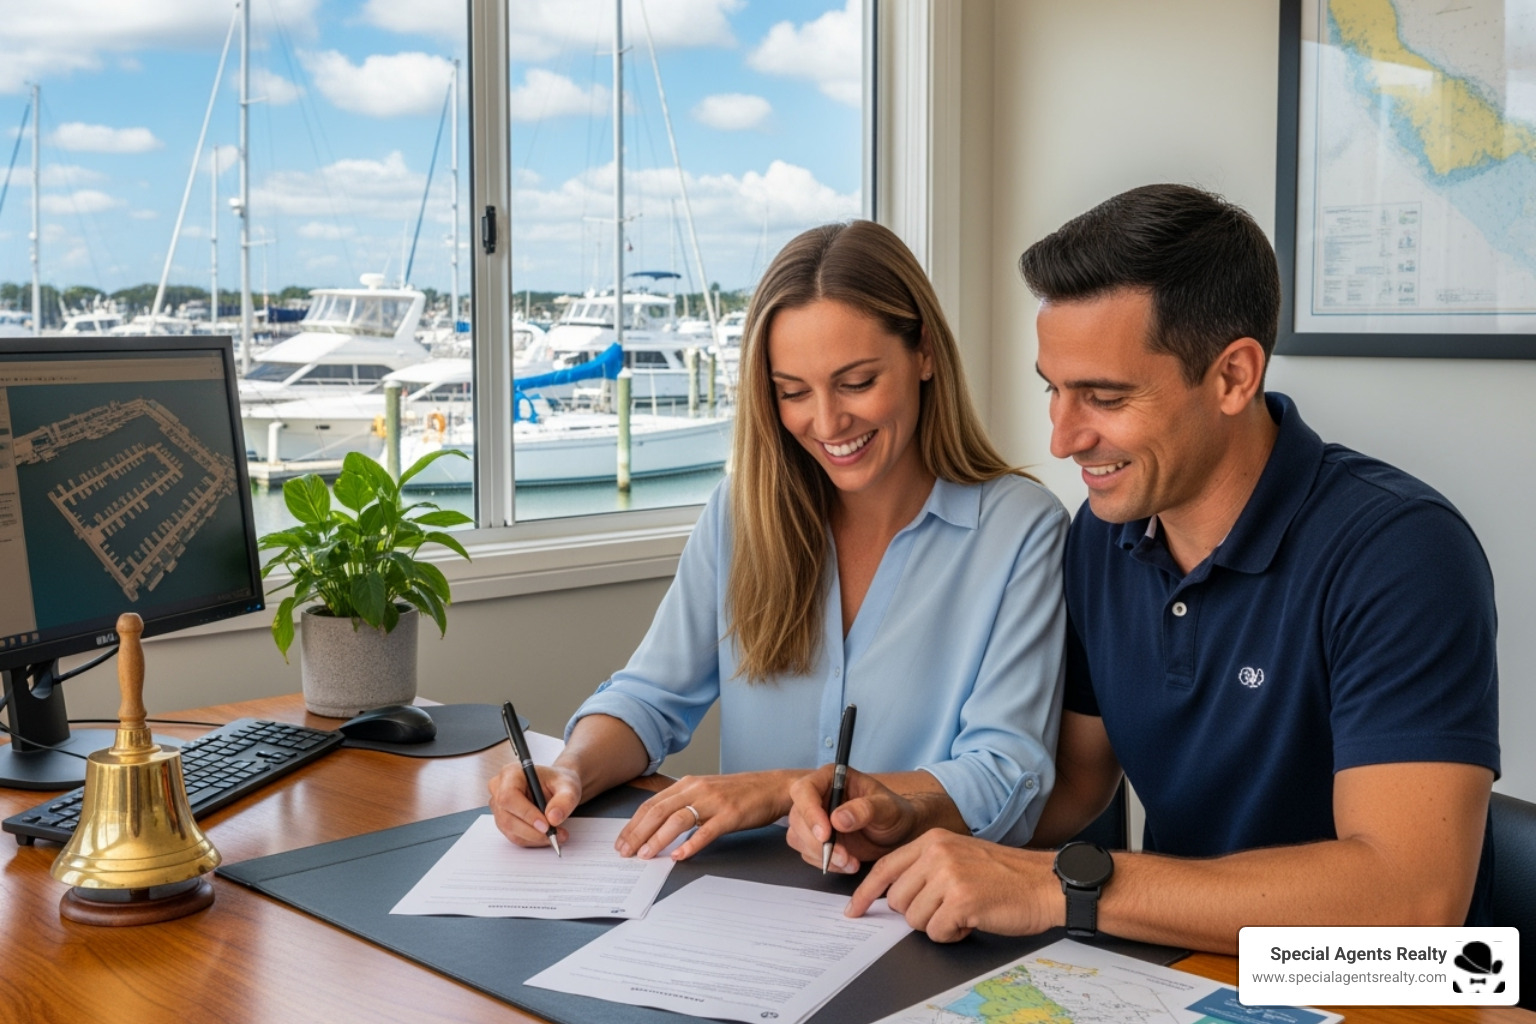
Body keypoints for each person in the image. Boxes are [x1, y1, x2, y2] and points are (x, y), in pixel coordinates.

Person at [804, 185, 1498, 953]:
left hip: (1371, 987)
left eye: (1103, 396)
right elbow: (1073, 786)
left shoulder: (1400, 551)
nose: (1064, 438)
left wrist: (1059, 887)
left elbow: (1411, 899)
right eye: (1054, 390)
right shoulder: (1105, 536)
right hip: (1176, 966)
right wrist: (915, 814)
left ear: (1234, 376)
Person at [488, 220, 1069, 864]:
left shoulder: (1022, 531)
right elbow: (650, 696)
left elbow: (1005, 774)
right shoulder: (740, 515)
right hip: (740, 907)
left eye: (856, 382)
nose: (826, 422)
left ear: (924, 352)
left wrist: (781, 790)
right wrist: (570, 771)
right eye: (793, 392)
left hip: (915, 911)